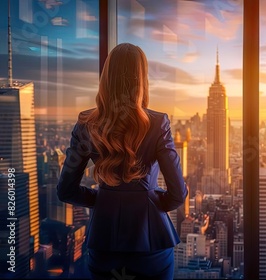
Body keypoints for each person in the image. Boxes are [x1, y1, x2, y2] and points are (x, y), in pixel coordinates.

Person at [56, 43, 188, 280]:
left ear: (106, 78)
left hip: (104, 243)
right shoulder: (158, 123)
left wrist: (103, 199)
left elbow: (65, 190)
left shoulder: (87, 123)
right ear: (142, 79)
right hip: (152, 244)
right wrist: (150, 201)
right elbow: (178, 193)